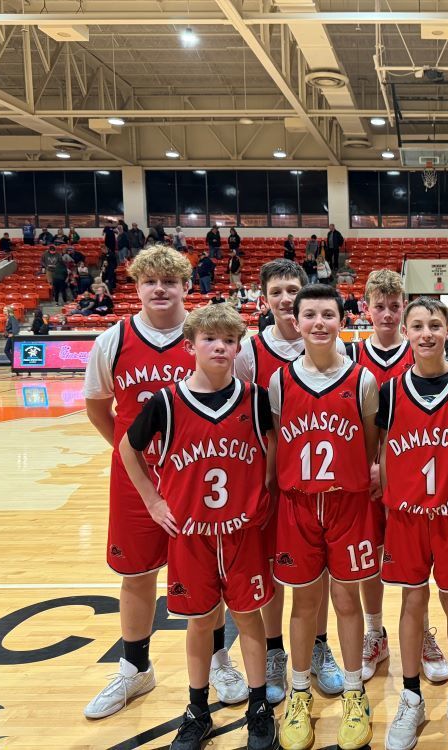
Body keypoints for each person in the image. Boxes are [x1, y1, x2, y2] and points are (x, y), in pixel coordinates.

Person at [83, 246, 249, 721]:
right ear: (135, 288)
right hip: (137, 482)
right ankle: (135, 668)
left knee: (208, 575)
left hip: (198, 477)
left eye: (169, 282)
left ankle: (219, 660)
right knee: (136, 574)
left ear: (185, 287)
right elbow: (99, 407)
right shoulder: (112, 340)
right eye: (150, 282)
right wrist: (130, 452)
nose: (160, 290)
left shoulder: (207, 337)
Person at [120, 303, 277, 750]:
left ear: (238, 348)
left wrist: (263, 490)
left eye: (230, 340)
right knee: (200, 622)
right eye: (211, 339)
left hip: (242, 532)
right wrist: (152, 500)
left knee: (249, 619)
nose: (221, 347)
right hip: (192, 536)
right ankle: (196, 709)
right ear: (189, 346)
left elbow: (272, 446)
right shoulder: (166, 402)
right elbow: (129, 449)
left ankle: (259, 706)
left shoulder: (254, 397)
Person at [379, 297, 448, 750]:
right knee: (411, 603)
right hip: (406, 520)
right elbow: (381, 451)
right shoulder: (388, 391)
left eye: (435, 325)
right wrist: (389, 507)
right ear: (405, 332)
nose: (426, 333)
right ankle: (411, 697)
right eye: (417, 325)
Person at [234, 260, 348, 705]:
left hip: (314, 485)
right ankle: (277, 651)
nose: (285, 298)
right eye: (277, 291)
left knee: (314, 574)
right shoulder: (249, 353)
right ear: (264, 299)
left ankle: (318, 647)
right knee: (275, 575)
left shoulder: (333, 353)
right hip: (265, 481)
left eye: (293, 290)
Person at [270, 284, 378, 750]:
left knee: (347, 600)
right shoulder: (279, 380)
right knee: (303, 604)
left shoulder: (363, 381)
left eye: (327, 315)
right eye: (309, 314)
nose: (318, 322)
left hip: (347, 505)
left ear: (341, 321)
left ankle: (354, 691)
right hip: (297, 505)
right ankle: (298, 693)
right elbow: (277, 443)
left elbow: (370, 444)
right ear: (295, 321)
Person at [347, 270, 448, 685]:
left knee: (417, 561)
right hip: (367, 477)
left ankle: (423, 633)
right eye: (380, 306)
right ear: (365, 308)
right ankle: (376, 633)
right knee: (370, 561)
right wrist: (369, 465)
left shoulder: (420, 350)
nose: (387, 315)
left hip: (415, 478)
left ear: (403, 310)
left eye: (394, 307)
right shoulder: (352, 358)